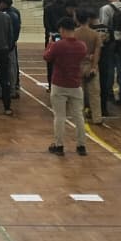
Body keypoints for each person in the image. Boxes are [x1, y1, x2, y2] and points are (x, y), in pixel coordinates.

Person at [44, 17, 89, 156]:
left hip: (59, 83)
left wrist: (50, 44)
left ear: (62, 29)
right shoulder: (82, 46)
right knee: (78, 116)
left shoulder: (58, 45)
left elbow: (47, 57)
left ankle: (59, 145)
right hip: (75, 84)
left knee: (59, 116)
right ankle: (81, 145)